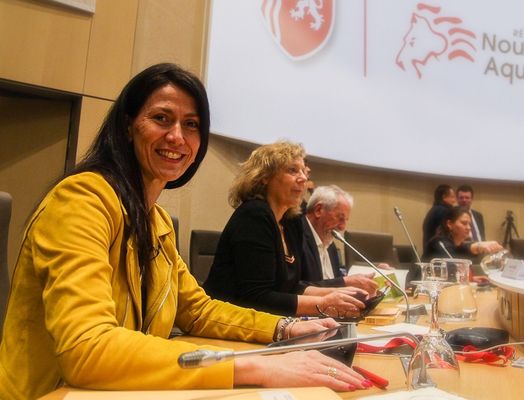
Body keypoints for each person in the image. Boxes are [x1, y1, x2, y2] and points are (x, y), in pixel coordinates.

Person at [0, 64, 367, 399]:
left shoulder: (155, 219)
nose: (177, 136)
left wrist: (286, 329)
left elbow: (198, 311)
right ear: (128, 126)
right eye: (162, 118)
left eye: (191, 125)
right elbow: (88, 347)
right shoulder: (80, 200)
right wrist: (254, 366)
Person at [203, 142, 368, 317]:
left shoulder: (291, 221)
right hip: (223, 321)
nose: (303, 178)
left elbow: (292, 287)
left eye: (304, 171)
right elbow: (255, 297)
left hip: (263, 323)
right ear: (264, 176)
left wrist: (340, 294)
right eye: (293, 170)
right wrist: (323, 304)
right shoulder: (254, 215)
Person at [300, 185, 379, 296]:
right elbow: (297, 288)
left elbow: (332, 283)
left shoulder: (330, 244)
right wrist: (345, 282)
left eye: (345, 220)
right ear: (318, 210)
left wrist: (360, 285)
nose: (342, 227)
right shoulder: (296, 237)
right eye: (340, 218)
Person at [422, 206, 503, 262]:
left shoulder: (458, 245)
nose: (468, 228)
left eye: (469, 224)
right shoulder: (438, 243)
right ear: (449, 224)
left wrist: (472, 278)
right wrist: (478, 246)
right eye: (464, 223)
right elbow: (453, 265)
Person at [422, 184, 456, 250]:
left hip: (430, 251)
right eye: (452, 197)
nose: (454, 201)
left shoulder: (434, 210)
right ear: (444, 197)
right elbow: (448, 235)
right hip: (439, 252)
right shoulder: (444, 211)